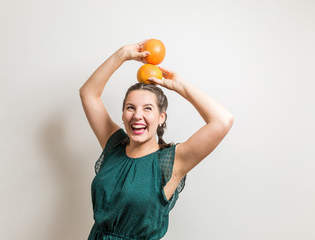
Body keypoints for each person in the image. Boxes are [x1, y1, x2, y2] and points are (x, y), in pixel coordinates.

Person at [79, 40, 234, 240]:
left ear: (161, 118)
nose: (137, 115)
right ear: (123, 113)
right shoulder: (114, 144)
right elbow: (88, 94)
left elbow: (222, 121)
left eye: (147, 109)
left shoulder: (172, 161)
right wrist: (122, 54)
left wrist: (180, 86)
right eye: (130, 107)